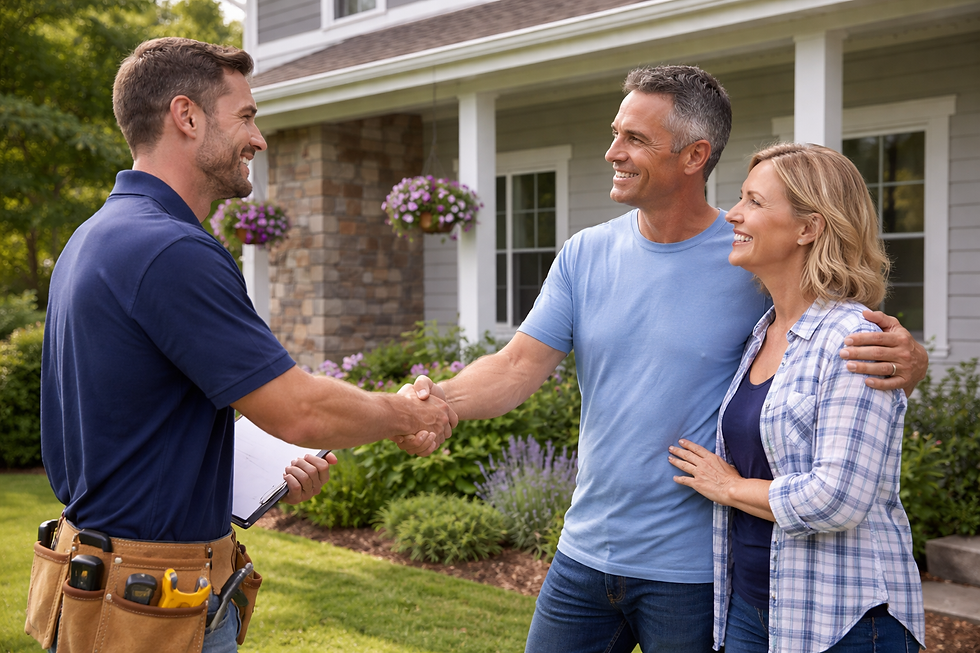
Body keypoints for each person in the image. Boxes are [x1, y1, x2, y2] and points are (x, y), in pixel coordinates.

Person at [404, 65, 927, 652]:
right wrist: (433, 404)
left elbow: (829, 326)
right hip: (584, 550)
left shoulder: (746, 261)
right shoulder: (587, 254)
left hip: (696, 570)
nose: (612, 153)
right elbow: (516, 366)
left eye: (634, 139)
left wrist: (910, 358)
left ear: (693, 154)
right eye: (615, 133)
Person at [35, 37, 455, 652]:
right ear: (187, 116)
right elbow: (300, 408)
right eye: (247, 117)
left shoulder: (96, 236)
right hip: (147, 604)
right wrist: (405, 414)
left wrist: (258, 475)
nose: (257, 139)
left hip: (106, 580)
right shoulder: (171, 250)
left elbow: (133, 416)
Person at [667, 143, 925, 653]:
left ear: (809, 228)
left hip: (844, 620)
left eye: (755, 202)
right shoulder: (762, 333)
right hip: (752, 610)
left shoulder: (854, 339)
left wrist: (730, 488)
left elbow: (837, 499)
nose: (733, 214)